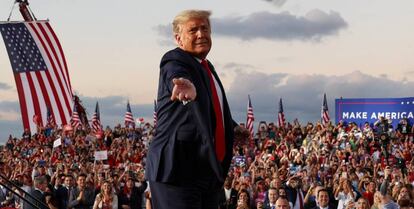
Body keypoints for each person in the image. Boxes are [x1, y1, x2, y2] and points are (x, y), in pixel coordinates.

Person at [146, 9, 236, 209]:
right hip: (177, 171)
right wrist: (184, 84)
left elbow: (210, 109)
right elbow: (175, 75)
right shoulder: (175, 59)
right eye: (193, 30)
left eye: (205, 28)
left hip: (207, 172)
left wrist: (233, 127)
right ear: (178, 38)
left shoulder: (207, 67)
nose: (201, 34)